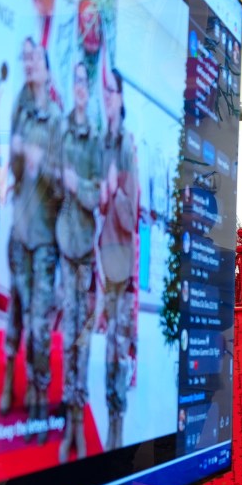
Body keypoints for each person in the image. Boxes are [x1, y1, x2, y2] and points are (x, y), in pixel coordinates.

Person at [1, 38, 63, 432]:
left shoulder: (57, 119)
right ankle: (9, 384)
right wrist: (18, 157)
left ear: (46, 66)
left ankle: (39, 392)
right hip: (19, 233)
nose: (28, 63)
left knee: (40, 323)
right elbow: (12, 171)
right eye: (23, 57)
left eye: (33, 57)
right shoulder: (19, 112)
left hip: (45, 238)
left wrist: (43, 165)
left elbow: (63, 188)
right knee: (16, 314)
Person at [56, 61, 103, 463]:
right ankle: (64, 397)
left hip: (85, 250)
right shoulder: (61, 131)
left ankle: (77, 402)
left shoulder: (96, 139)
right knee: (63, 322)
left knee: (81, 332)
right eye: (76, 82)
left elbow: (98, 195)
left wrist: (79, 185)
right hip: (57, 242)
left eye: (85, 82)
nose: (81, 89)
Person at [97, 68, 139, 451]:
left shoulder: (127, 148)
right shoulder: (98, 145)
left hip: (118, 272)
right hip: (91, 267)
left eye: (112, 92)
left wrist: (114, 192)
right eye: (103, 91)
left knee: (115, 360)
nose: (106, 97)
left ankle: (117, 448)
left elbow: (131, 218)